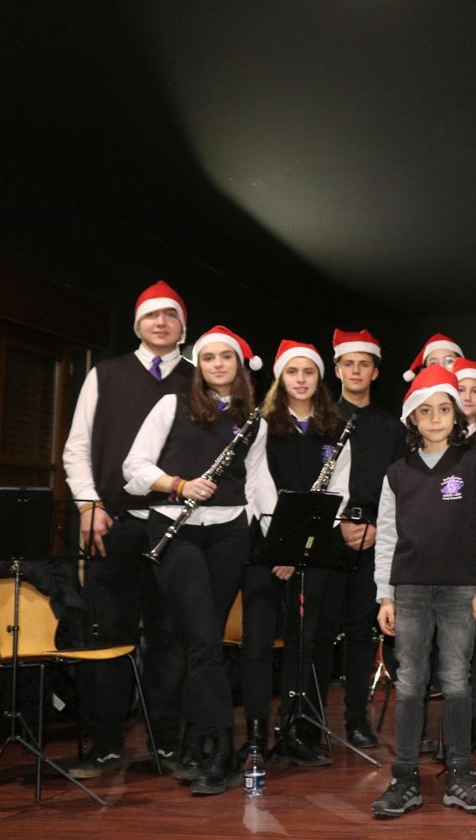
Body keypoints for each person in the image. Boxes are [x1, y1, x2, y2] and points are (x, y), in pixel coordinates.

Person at [122, 326, 272, 795]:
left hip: (229, 533)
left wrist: (280, 544)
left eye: (226, 357)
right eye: (208, 358)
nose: (217, 365)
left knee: (203, 644)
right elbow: (134, 466)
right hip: (175, 530)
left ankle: (193, 743)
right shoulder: (172, 405)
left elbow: (258, 486)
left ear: (240, 365)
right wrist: (179, 485)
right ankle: (224, 749)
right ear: (198, 366)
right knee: (204, 638)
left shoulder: (254, 421)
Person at [62, 279, 190, 778]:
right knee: (107, 635)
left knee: (168, 635)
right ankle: (106, 744)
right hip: (109, 522)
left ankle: (166, 744)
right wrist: (87, 504)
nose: (161, 323)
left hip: (174, 527)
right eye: (152, 316)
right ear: (138, 324)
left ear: (183, 325)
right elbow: (76, 447)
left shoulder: (201, 380)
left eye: (171, 315)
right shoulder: (105, 374)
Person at [371, 365, 476, 817]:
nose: (435, 418)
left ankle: (461, 776)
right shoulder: (396, 472)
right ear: (412, 418)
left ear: (456, 415)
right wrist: (384, 595)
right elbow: (387, 537)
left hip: (460, 590)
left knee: (455, 680)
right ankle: (404, 778)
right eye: (425, 411)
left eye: (444, 410)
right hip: (407, 590)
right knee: (409, 681)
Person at [253, 339, 352, 768]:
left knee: (304, 640)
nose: (300, 379)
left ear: (319, 378)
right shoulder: (261, 424)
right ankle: (257, 732)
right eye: (292, 372)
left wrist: (305, 541)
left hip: (315, 546)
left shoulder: (337, 427)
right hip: (267, 545)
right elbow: (255, 484)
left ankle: (296, 728)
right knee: (259, 641)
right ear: (280, 378)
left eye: (308, 372)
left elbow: (341, 490)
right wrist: (282, 542)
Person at [310, 329, 407, 750]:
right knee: (318, 629)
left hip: (373, 535)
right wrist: (337, 526)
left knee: (359, 633)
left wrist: (375, 529)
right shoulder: (319, 421)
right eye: (348, 364)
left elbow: (401, 488)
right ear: (337, 370)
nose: (355, 370)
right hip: (328, 535)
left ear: (375, 371)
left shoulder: (391, 427)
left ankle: (355, 720)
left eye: (363, 364)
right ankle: (311, 720)